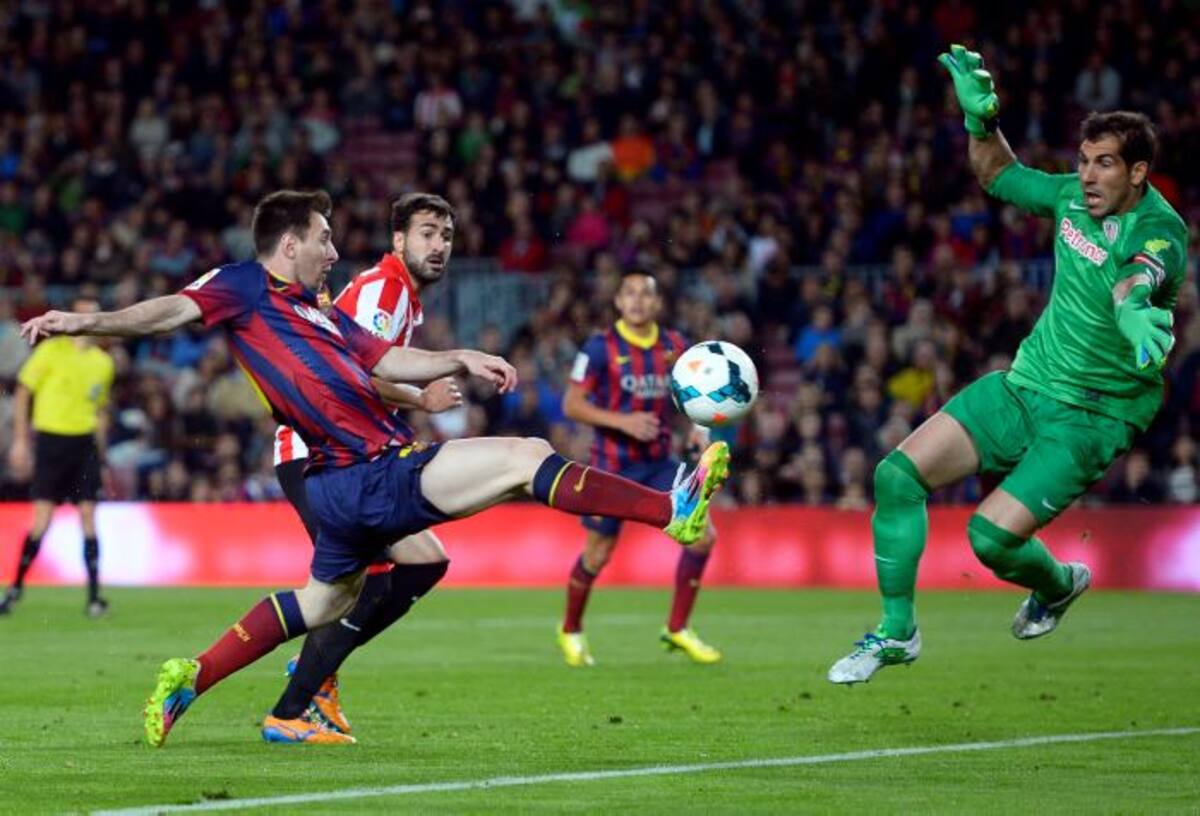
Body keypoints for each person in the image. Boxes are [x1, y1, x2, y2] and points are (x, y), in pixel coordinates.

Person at [19, 190, 731, 748]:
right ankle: (675, 509)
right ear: (290, 241)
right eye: (325, 237)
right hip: (362, 472)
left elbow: (389, 360)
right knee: (525, 458)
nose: (335, 248)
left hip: (337, 489)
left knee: (320, 603)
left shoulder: (319, 312)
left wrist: (459, 358)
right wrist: (80, 322)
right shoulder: (242, 286)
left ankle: (191, 678)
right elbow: (166, 312)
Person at [828, 45, 1188, 684]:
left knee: (988, 542)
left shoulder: (1160, 229)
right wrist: (981, 122)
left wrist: (1134, 303)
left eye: (1104, 165)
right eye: (1083, 162)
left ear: (1138, 172)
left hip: (1092, 416)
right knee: (895, 477)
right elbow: (998, 175)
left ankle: (1055, 585)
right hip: (1025, 385)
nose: (1087, 176)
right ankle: (896, 632)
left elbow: (1143, 270)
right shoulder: (1070, 200)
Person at [267, 192, 463, 744]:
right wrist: (420, 400)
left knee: (425, 561)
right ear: (398, 239)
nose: (439, 246)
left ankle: (316, 677)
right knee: (365, 587)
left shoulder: (402, 297)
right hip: (314, 453)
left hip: (348, 456)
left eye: (445, 236)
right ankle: (295, 705)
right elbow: (346, 368)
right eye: (427, 233)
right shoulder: (384, 288)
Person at [557, 269, 721, 667]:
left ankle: (678, 628)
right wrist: (622, 422)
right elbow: (571, 405)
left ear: (657, 303)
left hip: (659, 464)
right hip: (612, 467)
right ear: (618, 301)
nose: (637, 301)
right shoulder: (599, 348)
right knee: (597, 555)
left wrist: (698, 432)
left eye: (645, 294)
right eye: (629, 293)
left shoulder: (674, 346)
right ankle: (571, 630)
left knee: (703, 536)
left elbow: (693, 398)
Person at [2, 297, 114, 618]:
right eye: (84, 315)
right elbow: (23, 392)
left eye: (94, 316)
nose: (89, 322)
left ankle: (94, 597)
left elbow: (100, 410)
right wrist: (21, 442)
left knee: (89, 517)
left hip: (85, 445)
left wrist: (102, 458)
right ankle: (16, 588)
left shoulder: (103, 363)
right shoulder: (51, 351)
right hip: (51, 443)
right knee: (42, 520)